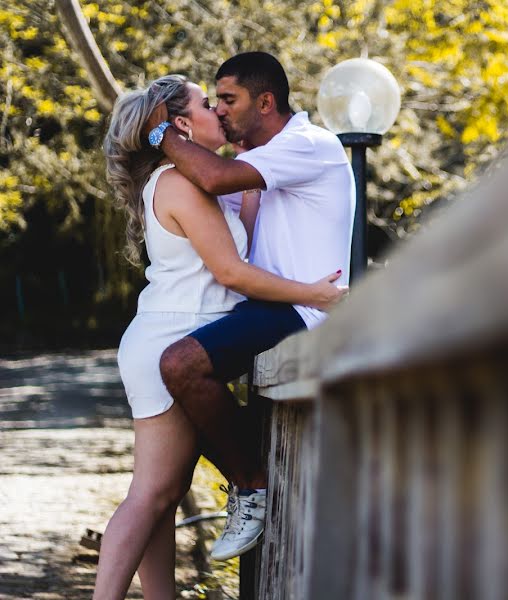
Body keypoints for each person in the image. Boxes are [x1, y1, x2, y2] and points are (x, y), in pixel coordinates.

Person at [94, 75, 346, 600]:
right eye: (208, 104)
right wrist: (310, 293)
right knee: (151, 495)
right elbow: (231, 273)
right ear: (182, 123)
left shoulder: (192, 182)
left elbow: (244, 239)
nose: (219, 111)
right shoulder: (182, 182)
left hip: (171, 334)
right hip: (172, 338)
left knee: (162, 496)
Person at [144, 52, 355, 561]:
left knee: (181, 364)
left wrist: (160, 134)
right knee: (178, 372)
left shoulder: (307, 145)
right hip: (267, 307)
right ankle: (249, 478)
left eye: (228, 100)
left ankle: (251, 486)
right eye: (213, 101)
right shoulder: (258, 163)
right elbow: (212, 192)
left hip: (303, 310)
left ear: (265, 102)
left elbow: (213, 179)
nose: (218, 111)